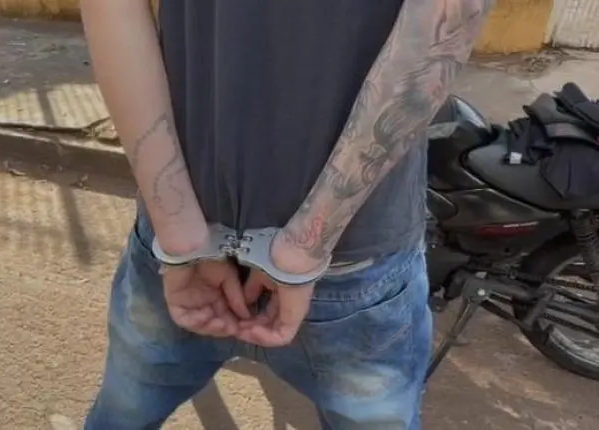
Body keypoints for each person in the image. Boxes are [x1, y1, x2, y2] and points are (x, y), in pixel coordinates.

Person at [77, 0, 491, 429]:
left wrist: (178, 230)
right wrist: (301, 251)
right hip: (349, 260)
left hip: (184, 242)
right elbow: (446, 22)